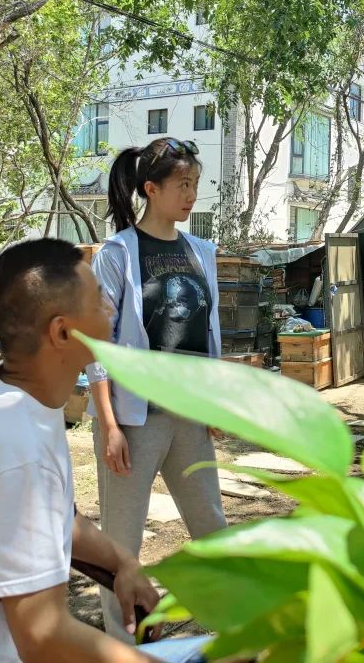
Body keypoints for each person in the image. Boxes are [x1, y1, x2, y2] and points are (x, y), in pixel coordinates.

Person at [0, 238, 211, 662]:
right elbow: (44, 639)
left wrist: (121, 562)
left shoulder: (7, 390)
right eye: (99, 301)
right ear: (62, 332)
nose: (111, 310)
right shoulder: (13, 444)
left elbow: (53, 512)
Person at [87, 137, 227, 643]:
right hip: (135, 420)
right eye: (181, 185)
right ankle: (122, 645)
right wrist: (108, 425)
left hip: (189, 416)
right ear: (151, 188)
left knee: (212, 527)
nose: (190, 195)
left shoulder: (201, 251)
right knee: (121, 544)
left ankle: (228, 632)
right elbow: (98, 346)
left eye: (194, 184)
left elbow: (206, 334)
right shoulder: (119, 253)